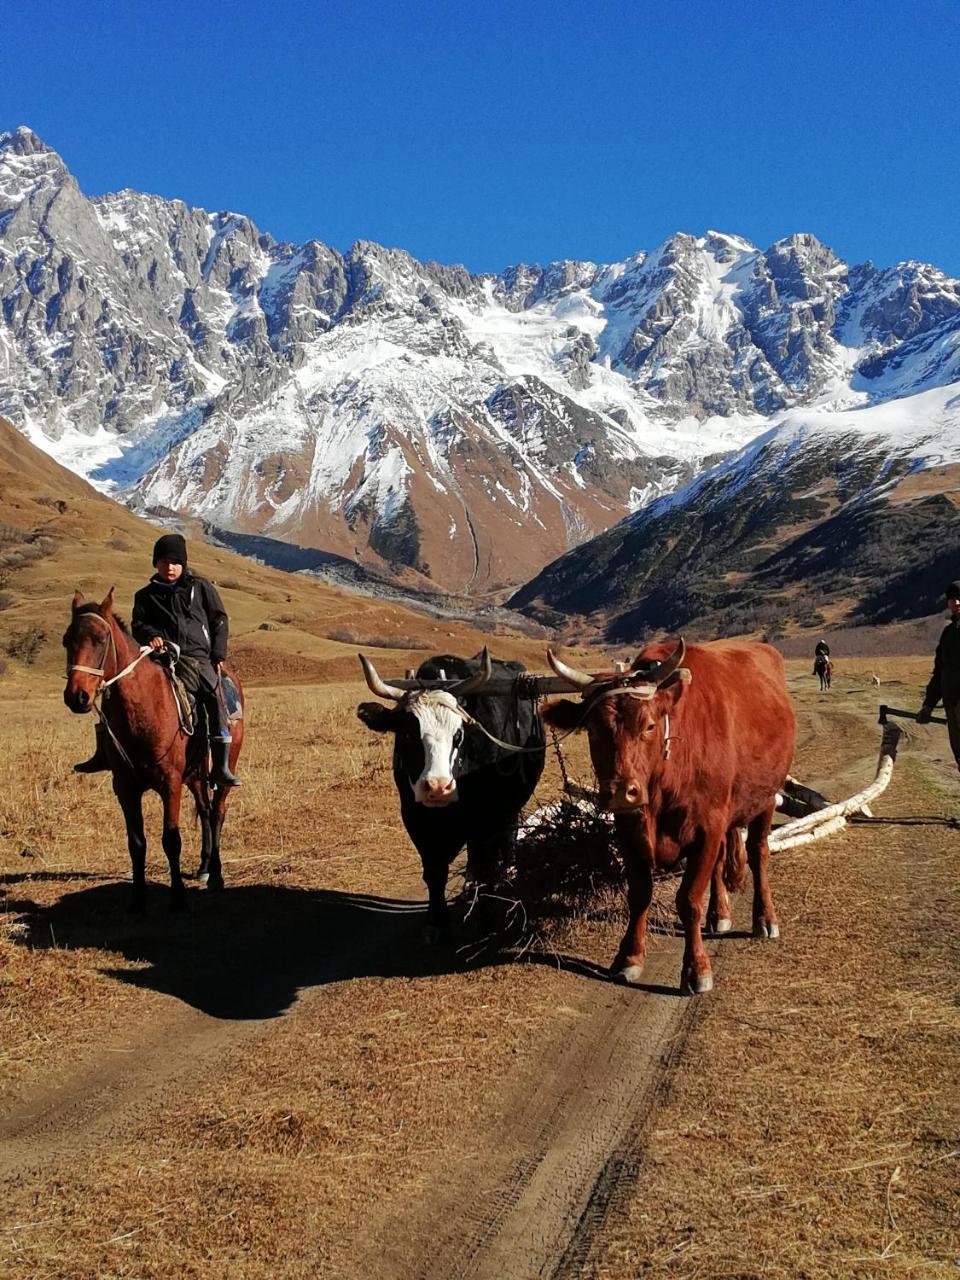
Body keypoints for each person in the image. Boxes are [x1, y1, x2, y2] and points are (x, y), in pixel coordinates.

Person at [74, 533, 241, 786]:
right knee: (111, 695)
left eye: (175, 561)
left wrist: (218, 653)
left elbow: (219, 619)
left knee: (214, 696)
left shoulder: (200, 587)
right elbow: (139, 624)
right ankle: (103, 754)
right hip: (157, 657)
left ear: (183, 563)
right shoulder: (145, 596)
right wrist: (152, 637)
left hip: (197, 657)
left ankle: (219, 766)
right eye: (164, 561)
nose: (170, 567)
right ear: (156, 564)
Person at [917, 580, 960, 772]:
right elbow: (939, 672)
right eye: (952, 599)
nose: (956, 602)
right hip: (952, 706)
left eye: (959, 598)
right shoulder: (948, 633)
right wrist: (929, 704)